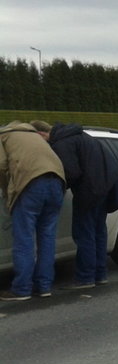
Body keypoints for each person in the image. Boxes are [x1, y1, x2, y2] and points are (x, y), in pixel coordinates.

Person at [32, 121, 118, 289]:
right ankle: (100, 274)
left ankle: (85, 278)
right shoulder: (78, 135)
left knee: (84, 233)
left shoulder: (62, 143)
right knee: (98, 232)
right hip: (106, 185)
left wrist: (58, 185)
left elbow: (71, 172)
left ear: (41, 134)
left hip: (90, 189)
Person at [0, 121, 66, 301]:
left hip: (31, 184)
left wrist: (8, 193)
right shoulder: (34, 136)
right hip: (57, 182)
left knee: (24, 239)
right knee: (47, 237)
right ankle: (44, 286)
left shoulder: (3, 137)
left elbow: (1, 167)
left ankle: (21, 289)